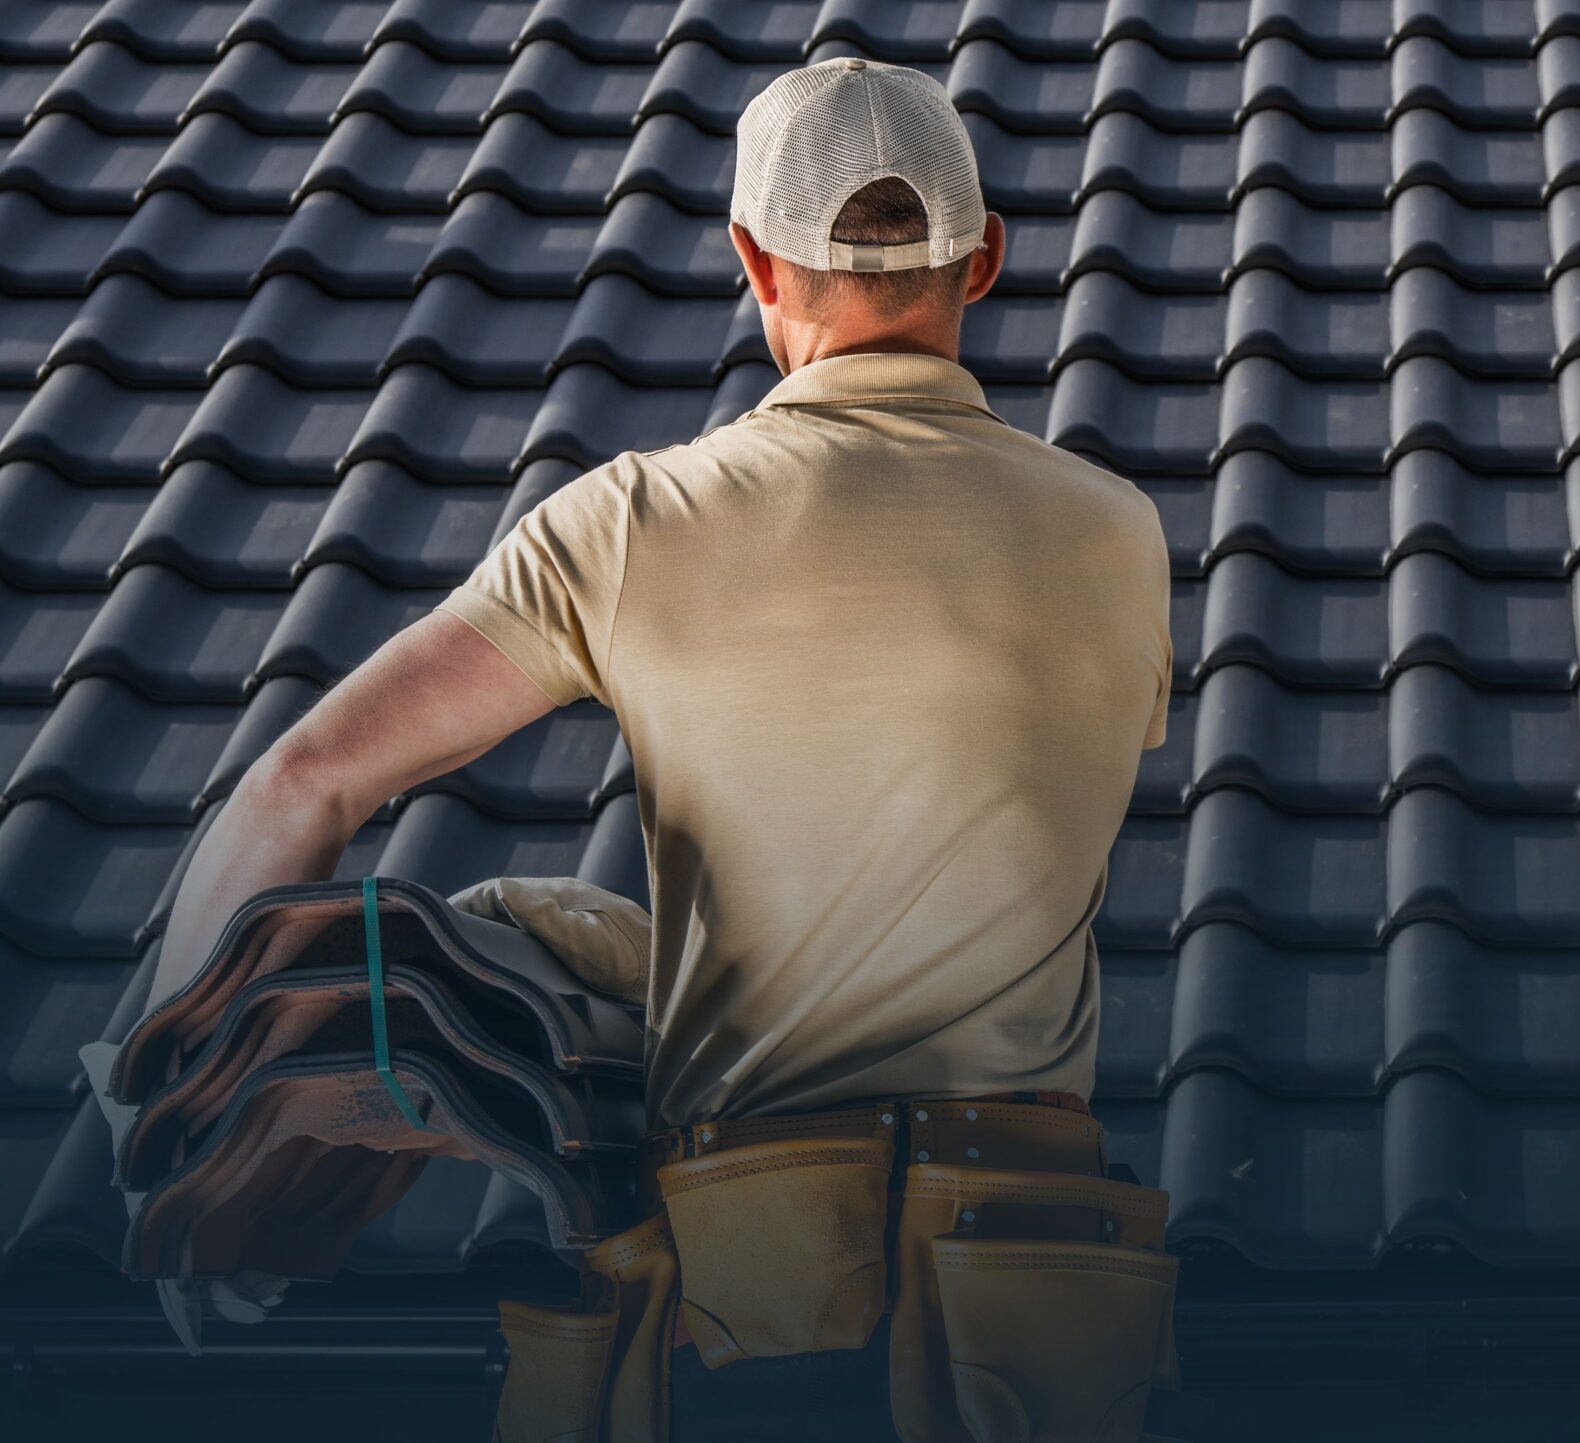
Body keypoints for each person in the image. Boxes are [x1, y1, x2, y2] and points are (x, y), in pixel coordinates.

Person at [142, 58, 1178, 1440]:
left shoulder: (632, 524)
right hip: (1046, 1320)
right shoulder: (1119, 533)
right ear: (983, 261)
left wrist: (171, 1134)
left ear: (754, 258)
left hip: (761, 1308)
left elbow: (303, 782)